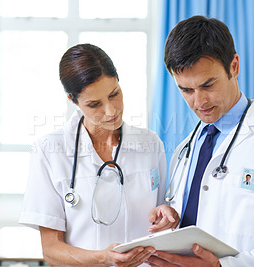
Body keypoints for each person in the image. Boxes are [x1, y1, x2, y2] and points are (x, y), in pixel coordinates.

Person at [147, 16, 254, 267]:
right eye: (186, 90)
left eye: (208, 85)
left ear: (234, 66)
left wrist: (223, 266)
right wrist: (169, 218)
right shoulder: (185, 150)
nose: (199, 102)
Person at [19, 43, 179, 266]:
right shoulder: (49, 151)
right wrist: (103, 259)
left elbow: (164, 215)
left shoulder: (150, 144)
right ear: (73, 101)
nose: (111, 111)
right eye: (94, 104)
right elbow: (51, 250)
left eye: (114, 94)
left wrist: (167, 216)